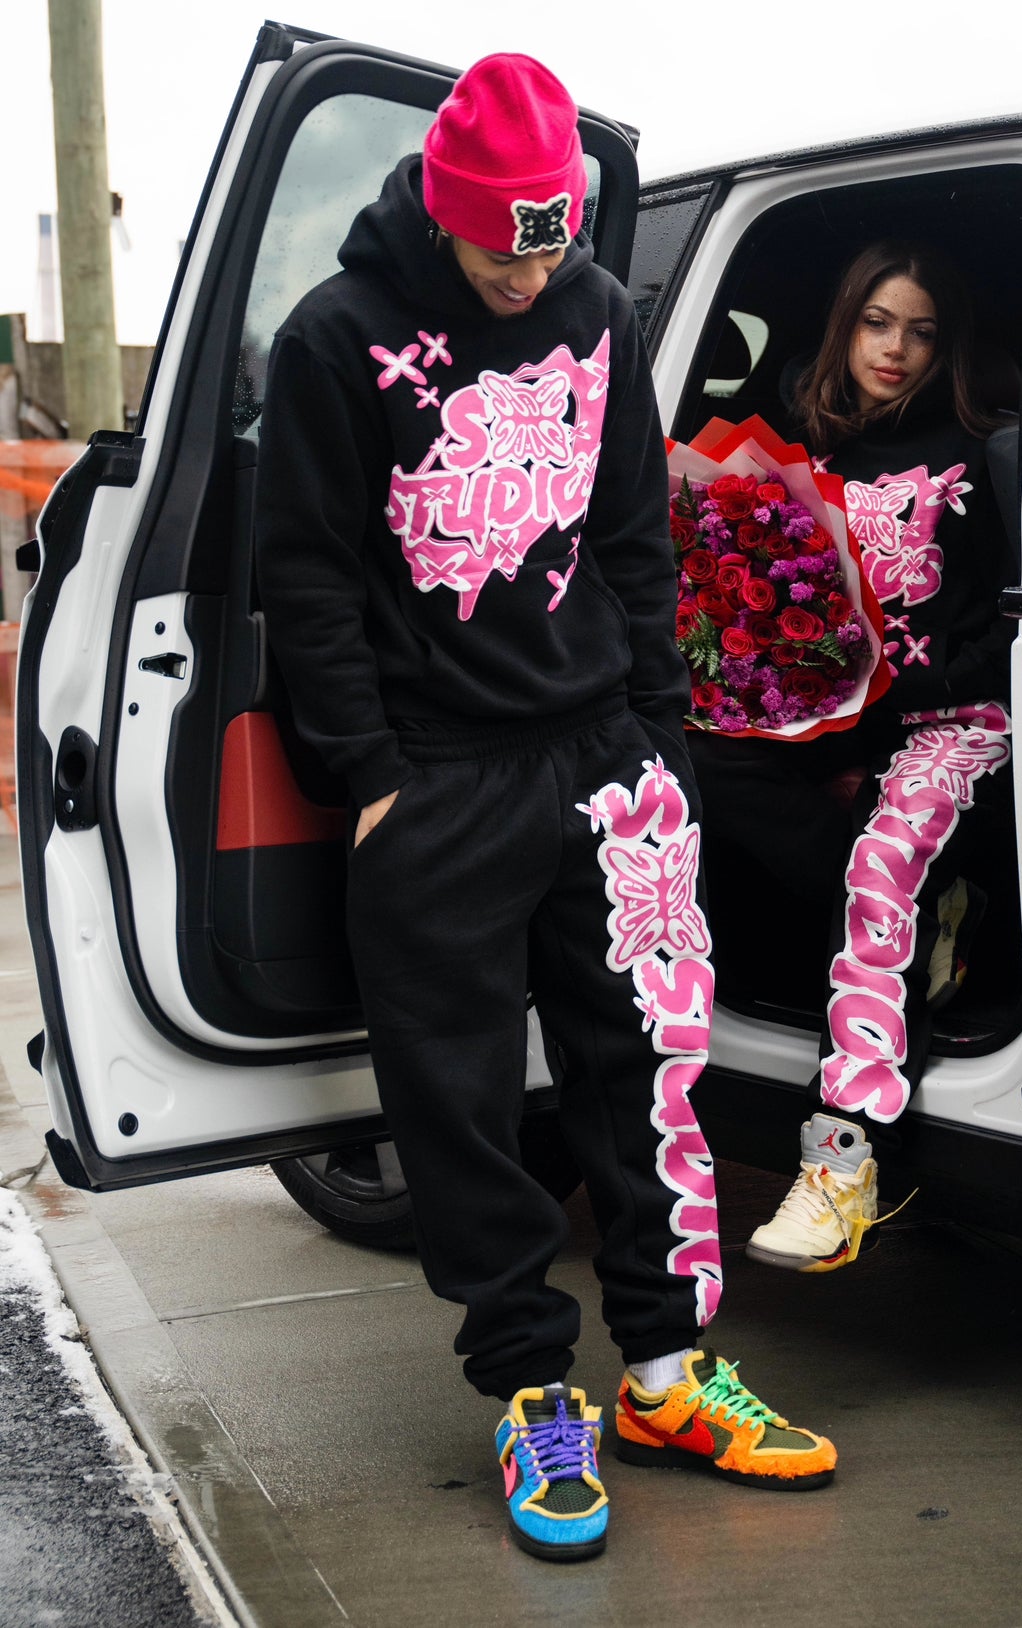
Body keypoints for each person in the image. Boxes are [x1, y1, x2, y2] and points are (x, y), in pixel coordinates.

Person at [253, 53, 835, 1566]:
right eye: (502, 249)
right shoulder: (335, 338)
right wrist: (370, 777)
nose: (528, 276)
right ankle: (529, 1388)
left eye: (550, 243)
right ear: (445, 211)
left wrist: (658, 734)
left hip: (602, 753)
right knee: (456, 1104)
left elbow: (634, 532)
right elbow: (304, 576)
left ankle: (665, 1370)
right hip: (435, 778)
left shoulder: (593, 311)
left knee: (644, 1070)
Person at [688, 241, 1017, 1274]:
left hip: (955, 720)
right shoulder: (803, 443)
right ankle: (921, 912)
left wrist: (899, 705)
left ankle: (842, 1165)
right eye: (878, 323)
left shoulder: (984, 447)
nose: (896, 348)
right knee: (693, 759)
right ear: (847, 326)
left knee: (880, 864)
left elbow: (1015, 619)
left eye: (921, 331)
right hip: (845, 722)